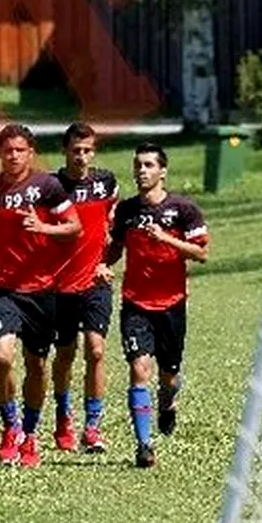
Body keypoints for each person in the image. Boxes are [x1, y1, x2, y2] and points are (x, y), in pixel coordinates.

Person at [0, 124, 81, 467]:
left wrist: (44, 227)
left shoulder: (47, 186)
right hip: (1, 287)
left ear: (30, 153)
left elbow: (74, 227)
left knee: (36, 364)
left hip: (40, 289)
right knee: (2, 357)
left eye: (20, 150)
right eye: (7, 150)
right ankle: (10, 427)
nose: (13, 156)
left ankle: (31, 435)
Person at [105, 142, 208, 468]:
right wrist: (104, 264)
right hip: (135, 303)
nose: (142, 170)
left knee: (169, 376)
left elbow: (201, 253)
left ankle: (168, 402)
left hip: (172, 305)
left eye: (149, 165)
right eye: (138, 164)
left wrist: (165, 239)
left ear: (163, 171)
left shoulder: (183, 209)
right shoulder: (126, 210)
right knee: (138, 370)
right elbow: (116, 247)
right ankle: (144, 445)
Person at [50, 123, 119, 453]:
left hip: (95, 282)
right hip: (60, 285)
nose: (81, 156)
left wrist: (108, 262)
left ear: (94, 151)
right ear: (66, 151)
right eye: (76, 150)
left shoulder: (106, 184)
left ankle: (93, 426)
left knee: (96, 349)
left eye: (87, 150)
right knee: (64, 354)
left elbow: (115, 229)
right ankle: (63, 419)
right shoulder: (52, 186)